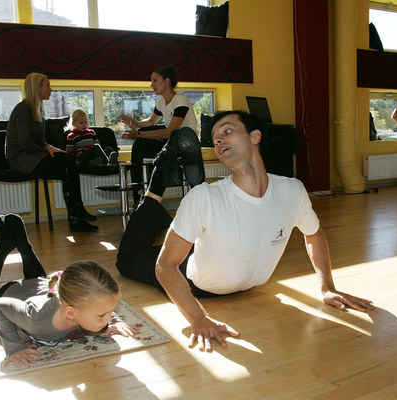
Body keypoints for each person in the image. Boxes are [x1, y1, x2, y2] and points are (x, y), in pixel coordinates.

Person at [119, 110, 374, 352]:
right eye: (215, 139)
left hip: (220, 258)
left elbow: (314, 234)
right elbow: (165, 266)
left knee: (194, 235)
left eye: (227, 131)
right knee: (127, 259)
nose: (218, 141)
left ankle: (170, 220)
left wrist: (327, 287)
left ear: (255, 137)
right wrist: (198, 317)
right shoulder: (203, 196)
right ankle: (158, 182)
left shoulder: (292, 191)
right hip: (194, 282)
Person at [0, 213, 139, 368]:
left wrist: (115, 320)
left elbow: (100, 304)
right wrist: (14, 348)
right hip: (16, 293)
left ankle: (24, 246)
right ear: (70, 312)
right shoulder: (36, 319)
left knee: (36, 280)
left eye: (110, 312)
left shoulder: (80, 305)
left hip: (40, 286)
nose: (108, 319)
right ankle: (4, 245)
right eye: (102, 316)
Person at [5, 72, 97, 232]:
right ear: (37, 88)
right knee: (67, 167)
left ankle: (77, 213)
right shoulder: (23, 109)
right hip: (21, 158)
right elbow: (25, 143)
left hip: (34, 154)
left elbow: (40, 140)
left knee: (69, 162)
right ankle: (76, 215)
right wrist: (47, 148)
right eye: (47, 85)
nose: (51, 89)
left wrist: (49, 147)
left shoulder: (38, 109)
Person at [119, 65, 198, 200]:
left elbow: (169, 132)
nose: (152, 84)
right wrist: (135, 123)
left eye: (155, 80)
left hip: (186, 144)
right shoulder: (161, 101)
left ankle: (148, 191)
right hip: (172, 142)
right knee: (141, 141)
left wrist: (139, 134)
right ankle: (139, 192)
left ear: (166, 81)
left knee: (142, 137)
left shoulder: (181, 101)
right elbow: (151, 122)